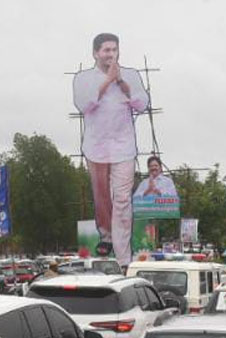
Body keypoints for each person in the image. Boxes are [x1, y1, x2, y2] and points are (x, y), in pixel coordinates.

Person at [73, 33, 149, 266]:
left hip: (123, 147)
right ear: (95, 53)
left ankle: (123, 256)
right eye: (106, 50)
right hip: (96, 147)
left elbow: (142, 104)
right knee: (102, 197)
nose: (111, 54)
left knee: (123, 200)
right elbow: (83, 104)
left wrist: (122, 83)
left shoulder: (131, 75)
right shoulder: (83, 78)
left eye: (114, 50)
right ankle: (106, 234)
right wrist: (107, 82)